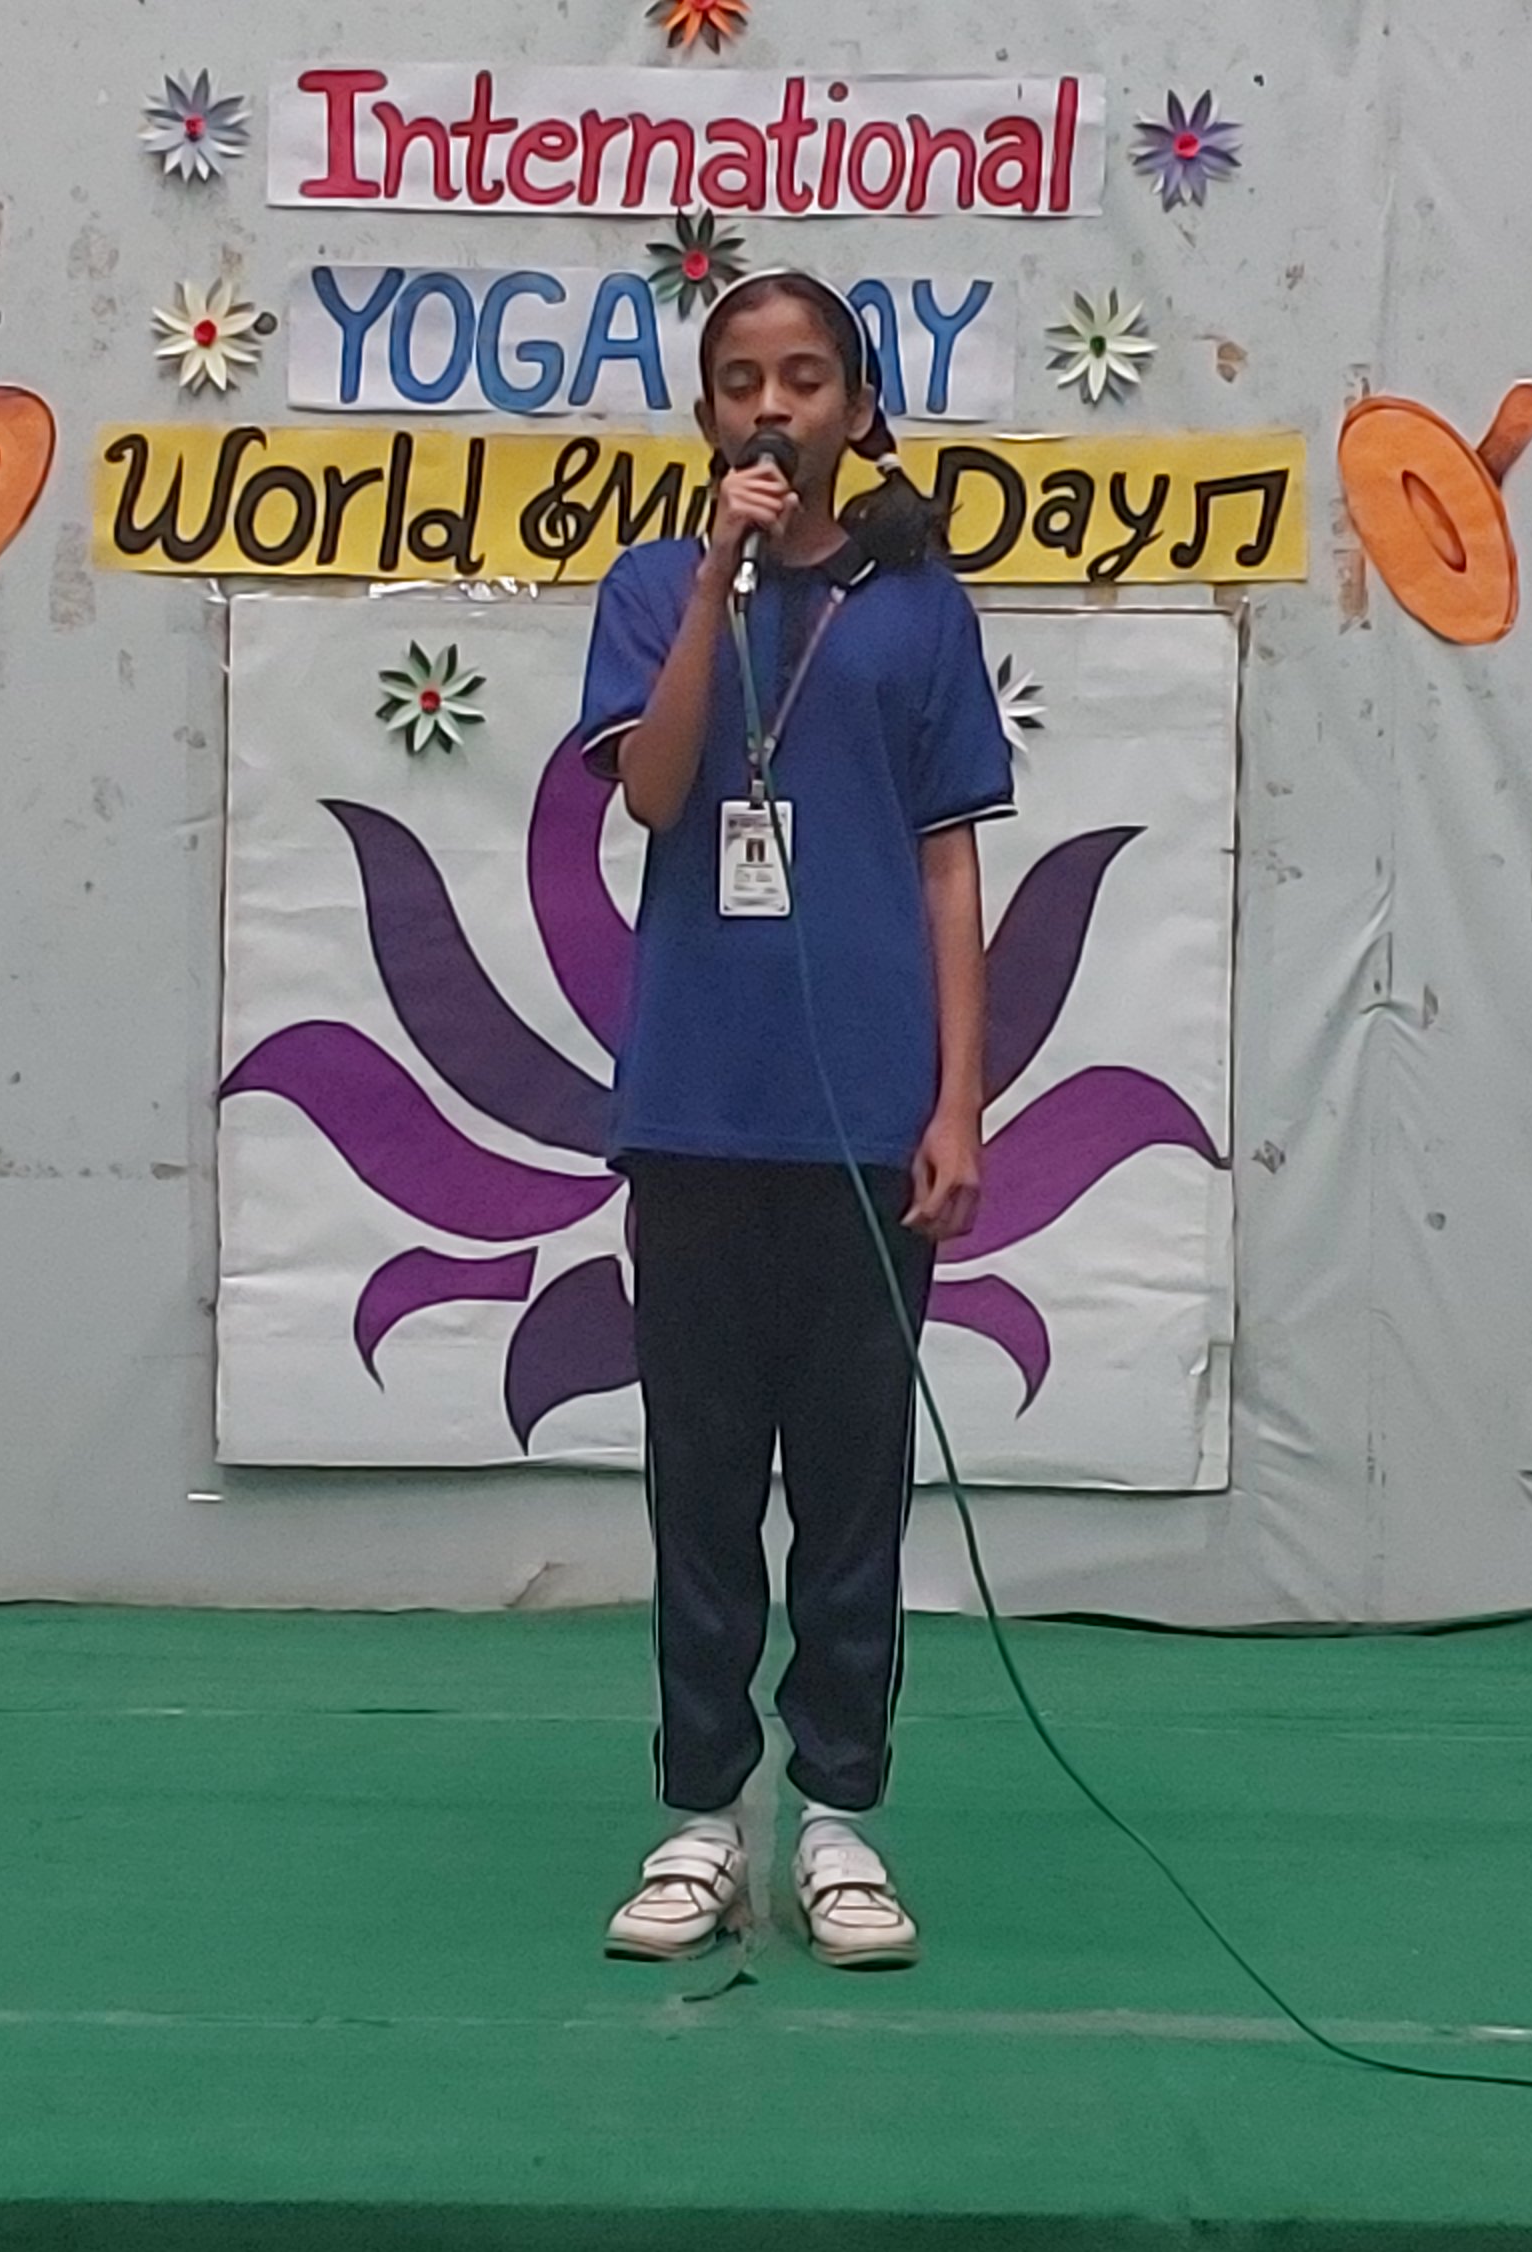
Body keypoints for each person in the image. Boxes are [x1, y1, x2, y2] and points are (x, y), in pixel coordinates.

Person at [565, 272, 1013, 1970]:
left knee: (850, 1490)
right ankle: (704, 1817)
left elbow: (949, 862)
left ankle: (839, 1819)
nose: (774, 405)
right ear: (707, 416)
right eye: (743, 379)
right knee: (698, 1486)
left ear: (857, 408)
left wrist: (957, 1100)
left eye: (806, 377)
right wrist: (713, 582)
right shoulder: (650, 587)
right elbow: (657, 788)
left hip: (868, 1128)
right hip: (695, 1110)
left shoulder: (920, 610)